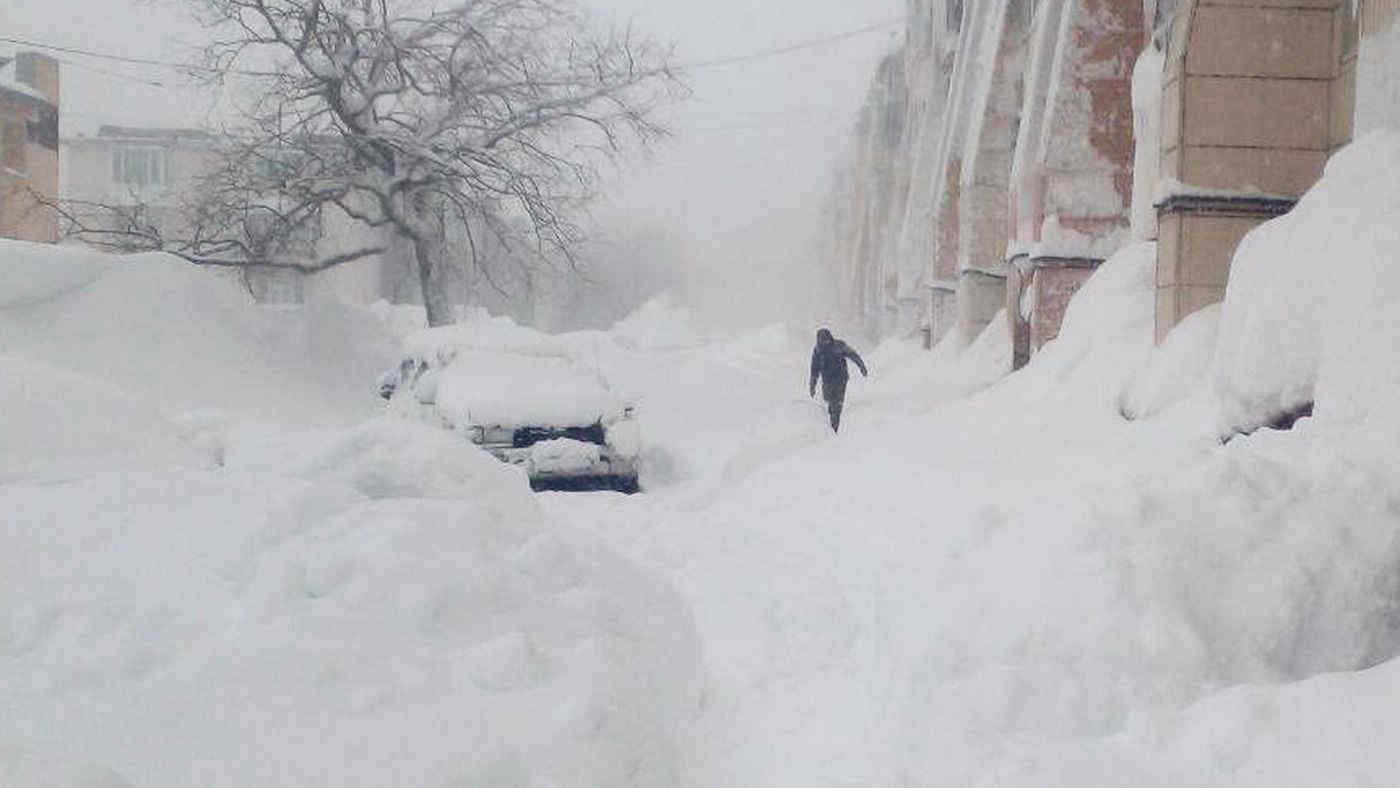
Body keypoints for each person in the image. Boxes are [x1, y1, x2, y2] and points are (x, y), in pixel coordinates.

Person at [808, 328, 868, 433]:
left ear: (830, 337)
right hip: (827, 381)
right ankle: (833, 424)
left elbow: (853, 355)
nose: (825, 342)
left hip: (840, 379)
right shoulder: (817, 351)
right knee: (828, 400)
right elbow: (814, 370)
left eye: (826, 339)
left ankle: (835, 426)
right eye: (822, 340)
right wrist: (812, 386)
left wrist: (861, 366)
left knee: (836, 404)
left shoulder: (838, 345)